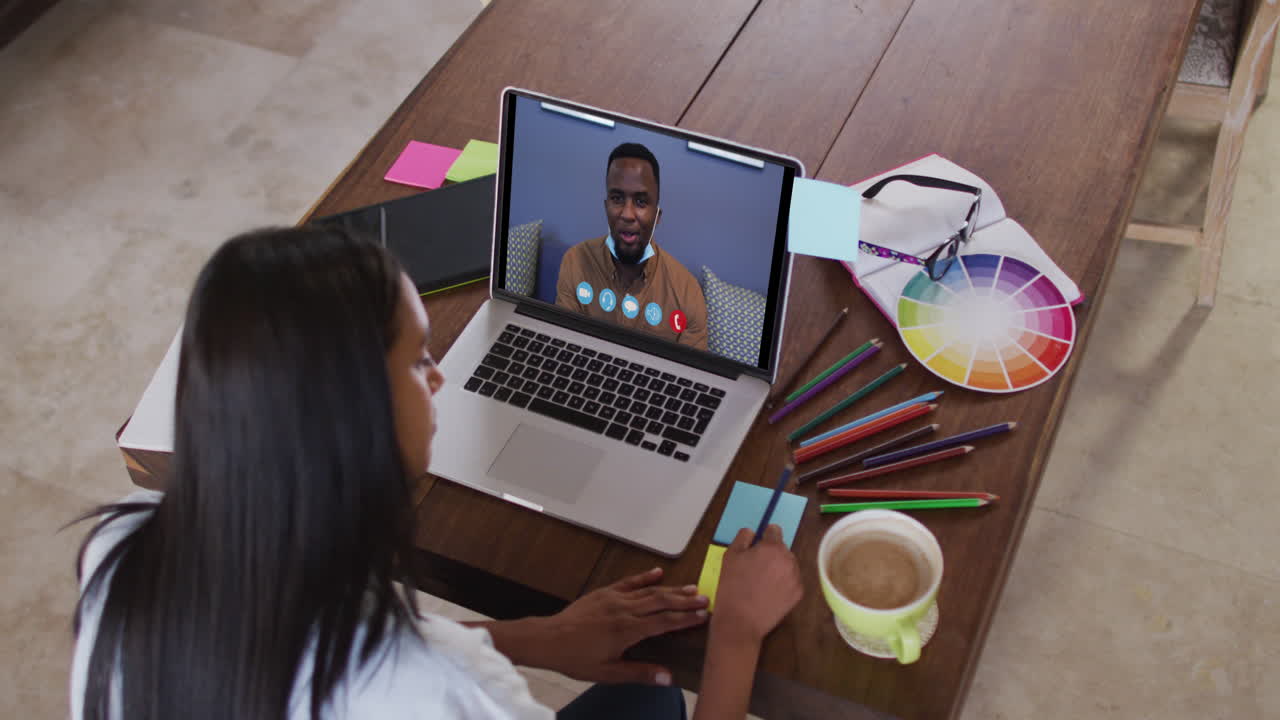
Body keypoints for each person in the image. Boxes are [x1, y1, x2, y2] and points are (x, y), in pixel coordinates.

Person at [71, 225, 802, 720]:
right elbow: (410, 675)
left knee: (645, 699)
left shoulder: (123, 553)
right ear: (358, 421)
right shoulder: (441, 695)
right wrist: (735, 634)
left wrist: (535, 638)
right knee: (661, 697)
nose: (440, 379)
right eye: (420, 360)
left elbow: (323, 643)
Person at [555, 143, 709, 351]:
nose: (627, 214)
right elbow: (562, 347)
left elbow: (692, 375)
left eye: (641, 202)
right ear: (606, 207)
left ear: (657, 217)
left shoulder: (687, 293)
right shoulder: (575, 262)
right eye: (617, 199)